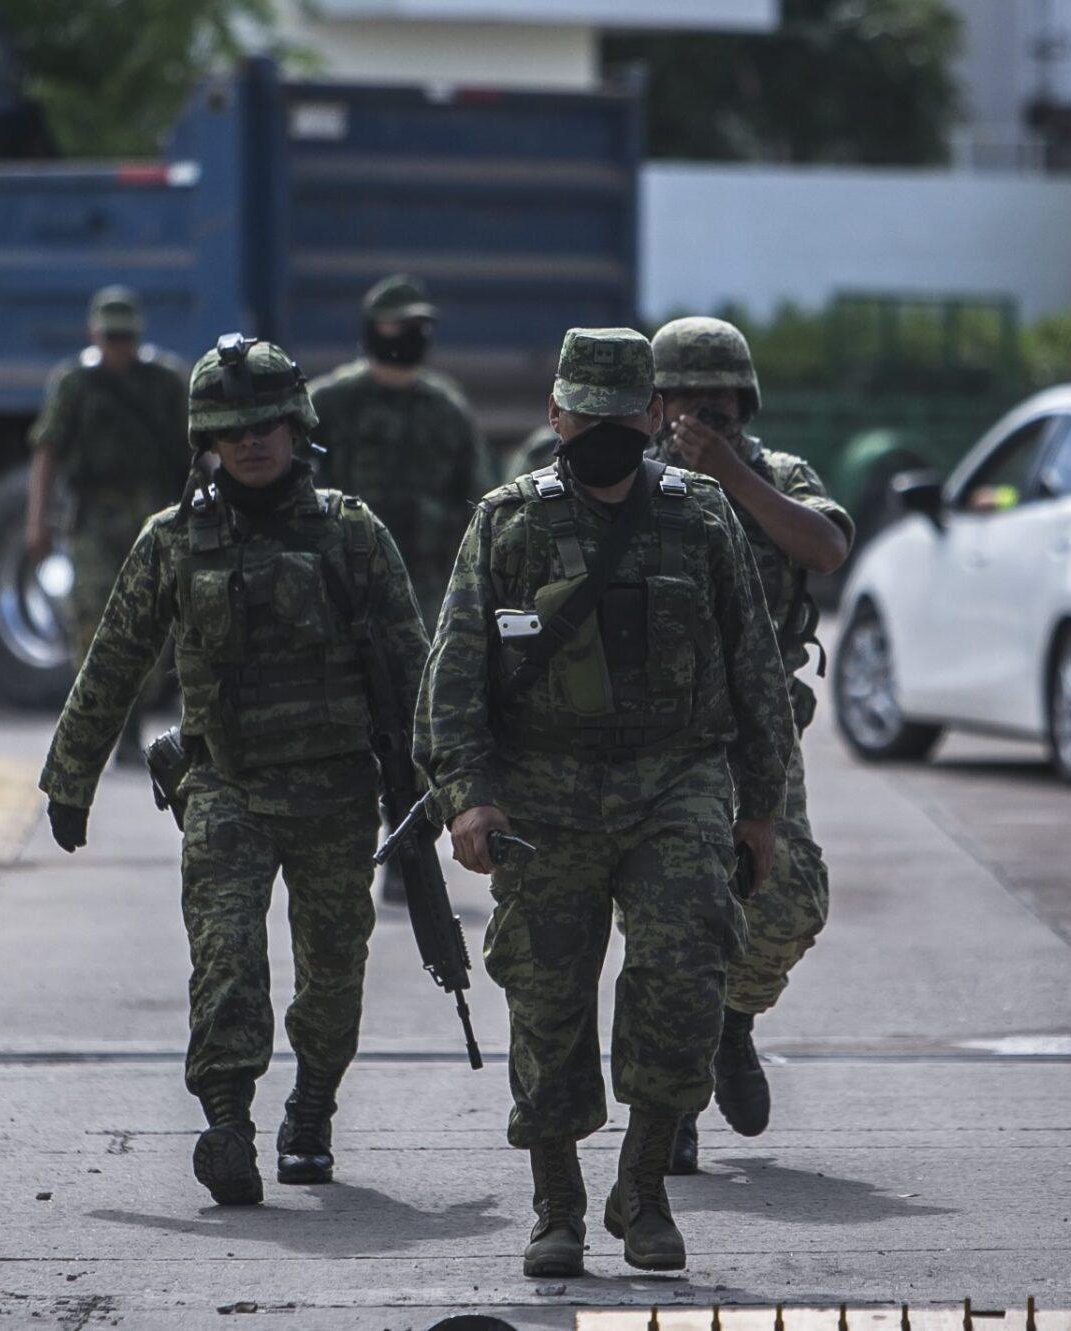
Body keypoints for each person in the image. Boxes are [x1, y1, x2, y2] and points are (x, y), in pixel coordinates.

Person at [415, 327, 793, 1276]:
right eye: (587, 417)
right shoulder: (508, 522)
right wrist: (468, 798)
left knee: (684, 976)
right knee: (546, 995)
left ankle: (645, 1185)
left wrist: (762, 808)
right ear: (555, 414)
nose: (605, 433)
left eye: (625, 416)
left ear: (654, 415)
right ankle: (557, 1202)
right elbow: (453, 676)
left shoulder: (701, 515)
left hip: (676, 783)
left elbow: (755, 667)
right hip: (545, 794)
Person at [40, 336, 427, 1208]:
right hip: (226, 789)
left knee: (334, 972)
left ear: (297, 426)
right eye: (232, 429)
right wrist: (70, 778)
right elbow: (113, 663)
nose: (251, 441)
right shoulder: (175, 540)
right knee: (226, 962)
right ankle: (227, 1122)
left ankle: (313, 1109)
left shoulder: (353, 534)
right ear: (206, 440)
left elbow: (417, 669)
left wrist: (443, 788)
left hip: (336, 794)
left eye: (266, 425)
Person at [648, 316, 852, 1173]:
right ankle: (674, 1099)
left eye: (721, 397)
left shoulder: (779, 474)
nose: (704, 411)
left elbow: (827, 546)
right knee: (672, 919)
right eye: (686, 397)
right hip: (657, 733)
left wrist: (732, 476)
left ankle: (733, 1022)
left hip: (758, 729)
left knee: (791, 894)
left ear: (745, 400)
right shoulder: (635, 475)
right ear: (655, 404)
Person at [25, 286, 190, 759]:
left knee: (150, 627)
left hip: (152, 517)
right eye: (111, 337)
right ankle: (101, 729)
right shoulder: (76, 384)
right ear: (94, 334)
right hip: (95, 520)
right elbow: (47, 451)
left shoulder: (165, 382)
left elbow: (197, 449)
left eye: (126, 337)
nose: (119, 347)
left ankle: (133, 725)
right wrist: (37, 521)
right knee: (94, 622)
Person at [311, 274, 489, 615]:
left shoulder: (446, 408)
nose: (412, 334)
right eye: (400, 324)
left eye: (419, 326)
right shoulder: (330, 403)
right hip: (344, 583)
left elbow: (475, 497)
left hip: (427, 588)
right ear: (373, 329)